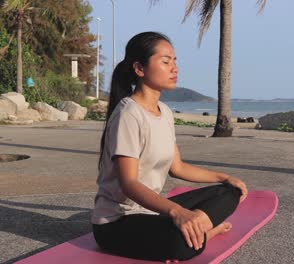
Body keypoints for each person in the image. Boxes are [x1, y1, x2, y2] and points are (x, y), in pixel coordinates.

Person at [91, 32, 248, 262]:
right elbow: (129, 184)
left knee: (229, 192)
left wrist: (223, 177)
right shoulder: (128, 114)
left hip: (150, 210)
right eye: (165, 61)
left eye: (175, 61)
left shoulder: (164, 113)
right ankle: (203, 232)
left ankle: (194, 232)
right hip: (117, 222)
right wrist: (178, 212)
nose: (174, 68)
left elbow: (178, 167)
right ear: (139, 68)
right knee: (179, 244)